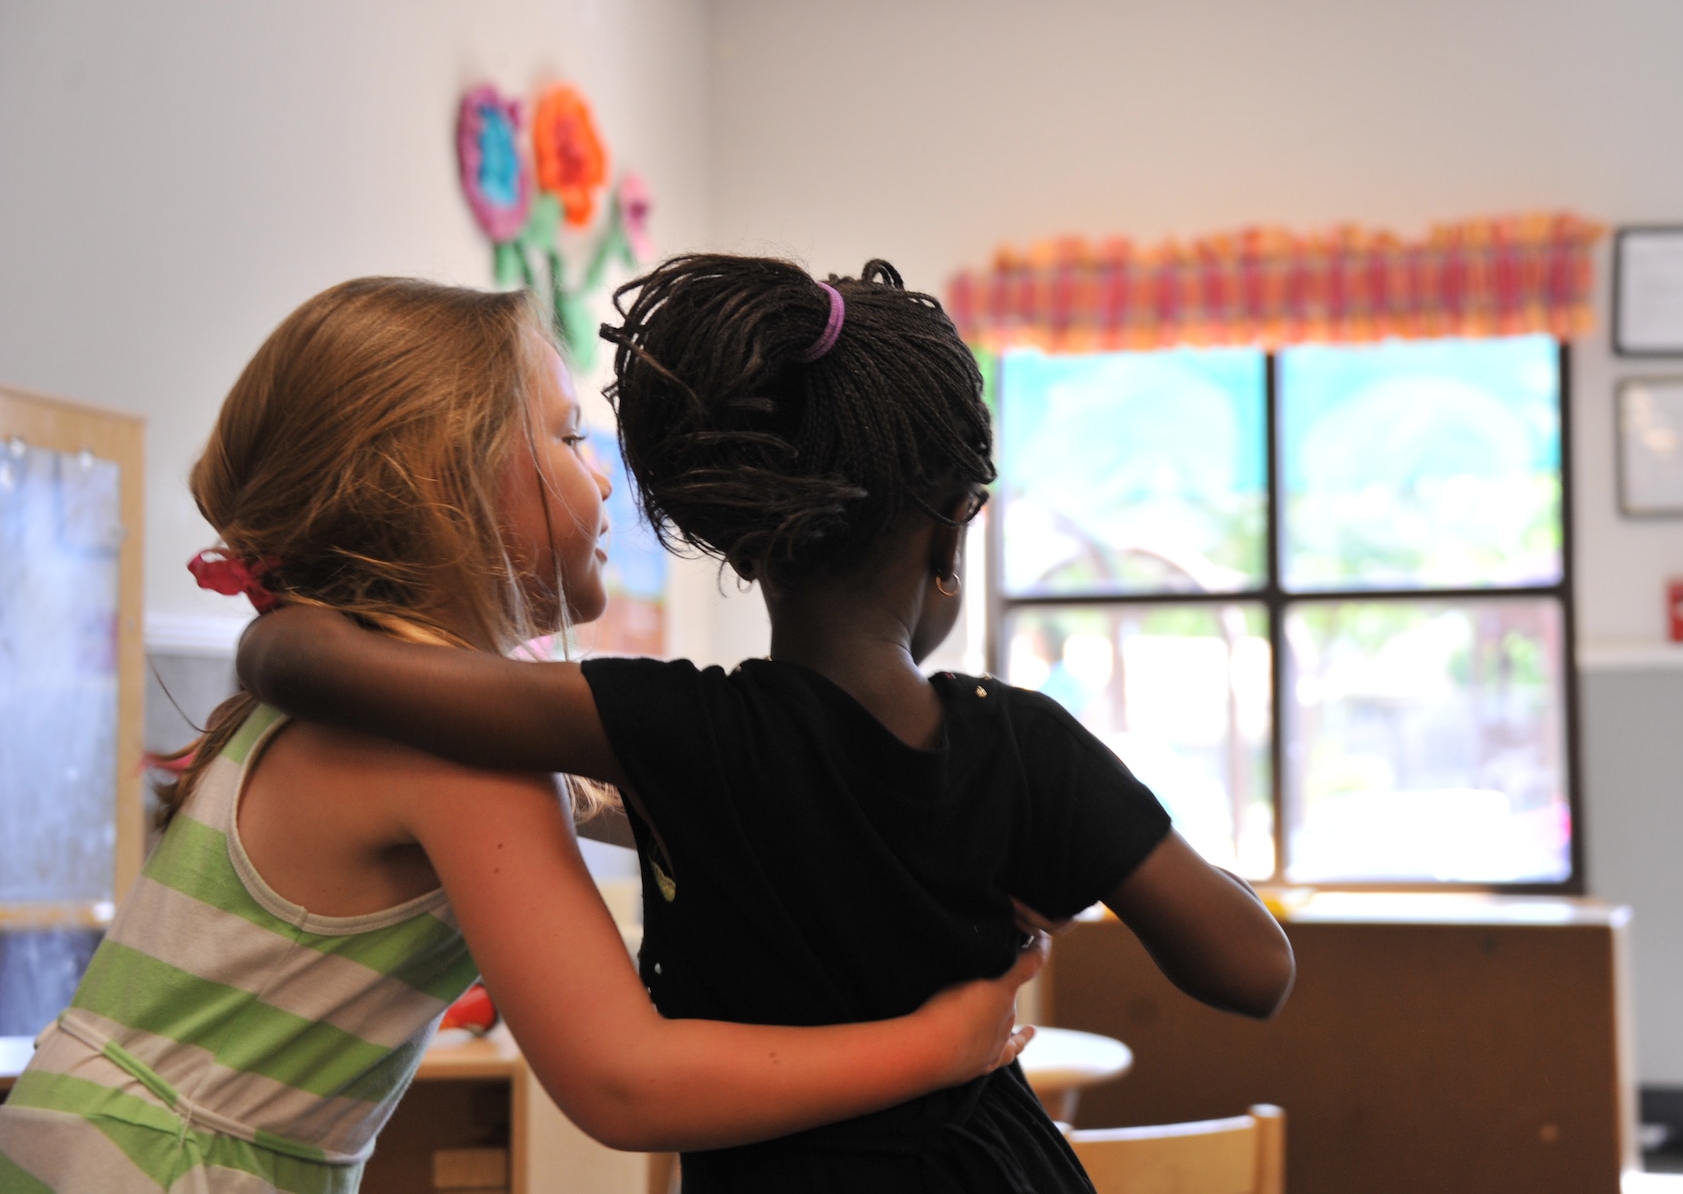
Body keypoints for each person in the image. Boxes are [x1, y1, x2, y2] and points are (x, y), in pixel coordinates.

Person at [236, 256, 1298, 1194]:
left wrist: (271, 622)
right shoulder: (1024, 747)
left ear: (744, 542)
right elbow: (1251, 969)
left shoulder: (666, 728)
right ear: (949, 535)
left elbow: (323, 666)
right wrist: (1075, 836)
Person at [0, 278, 1046, 1194]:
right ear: (445, 477)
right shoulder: (447, 745)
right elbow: (623, 1078)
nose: (600, 481)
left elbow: (677, 799)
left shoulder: (377, 700)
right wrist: (934, 1043)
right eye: (568, 436)